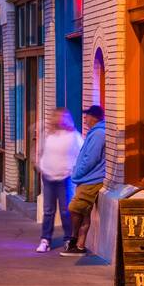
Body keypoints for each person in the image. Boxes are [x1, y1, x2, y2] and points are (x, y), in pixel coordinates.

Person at [60, 105, 106, 257]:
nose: (85, 119)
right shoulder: (96, 133)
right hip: (88, 179)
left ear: (94, 117)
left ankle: (74, 240)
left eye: (87, 116)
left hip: (90, 180)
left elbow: (91, 158)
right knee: (84, 213)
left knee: (74, 208)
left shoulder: (98, 134)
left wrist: (77, 173)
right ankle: (80, 246)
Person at [35, 108, 83, 253]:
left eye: (62, 117)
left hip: (65, 177)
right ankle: (45, 240)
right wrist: (40, 165)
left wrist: (73, 170)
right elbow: (41, 151)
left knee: (65, 210)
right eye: (56, 117)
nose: (59, 120)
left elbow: (81, 153)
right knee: (48, 211)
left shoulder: (74, 136)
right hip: (48, 176)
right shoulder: (49, 134)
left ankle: (68, 239)